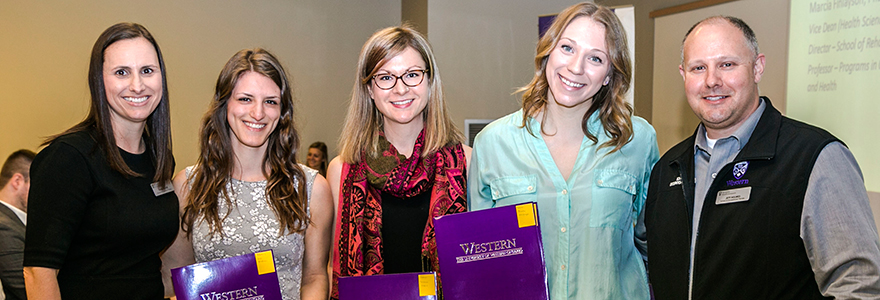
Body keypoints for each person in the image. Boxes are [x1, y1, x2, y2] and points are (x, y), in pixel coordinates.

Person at [645, 16, 880, 299]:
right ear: (684, 75)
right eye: (699, 68)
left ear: (758, 68)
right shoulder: (666, 170)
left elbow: (857, 285)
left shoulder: (815, 157)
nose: (711, 81)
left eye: (727, 65)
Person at [468, 2, 658, 299]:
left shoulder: (638, 140)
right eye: (567, 48)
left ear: (609, 74)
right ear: (547, 53)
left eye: (595, 58)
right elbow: (479, 259)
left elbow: (651, 244)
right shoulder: (493, 143)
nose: (576, 67)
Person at [160, 48, 333, 300]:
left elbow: (315, 277)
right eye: (245, 99)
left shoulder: (311, 188)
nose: (258, 113)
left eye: (270, 101)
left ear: (282, 111)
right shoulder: (188, 185)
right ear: (224, 103)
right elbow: (175, 281)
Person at [23, 23, 177, 299]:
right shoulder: (69, 158)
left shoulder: (158, 159)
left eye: (147, 71)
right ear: (99, 80)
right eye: (121, 72)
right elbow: (38, 273)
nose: (137, 85)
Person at [328, 25, 470, 298]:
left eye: (412, 75)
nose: (400, 88)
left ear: (430, 81)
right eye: (385, 78)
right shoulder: (341, 171)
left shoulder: (467, 161)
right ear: (369, 88)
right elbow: (327, 269)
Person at [0, 150, 36, 300]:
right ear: (17, 181)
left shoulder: (14, 222)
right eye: (39, 185)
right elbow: (27, 290)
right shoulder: (3, 226)